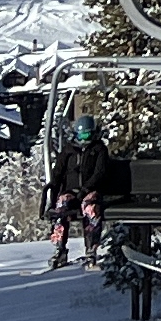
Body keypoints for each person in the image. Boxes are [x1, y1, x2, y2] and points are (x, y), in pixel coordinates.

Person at [46, 115, 114, 269]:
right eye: (81, 135)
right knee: (61, 207)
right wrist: (54, 190)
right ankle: (60, 248)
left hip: (90, 190)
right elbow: (58, 171)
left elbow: (100, 172)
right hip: (71, 191)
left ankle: (91, 249)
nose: (84, 139)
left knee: (90, 208)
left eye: (87, 135)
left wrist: (86, 188)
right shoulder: (69, 150)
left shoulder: (98, 149)